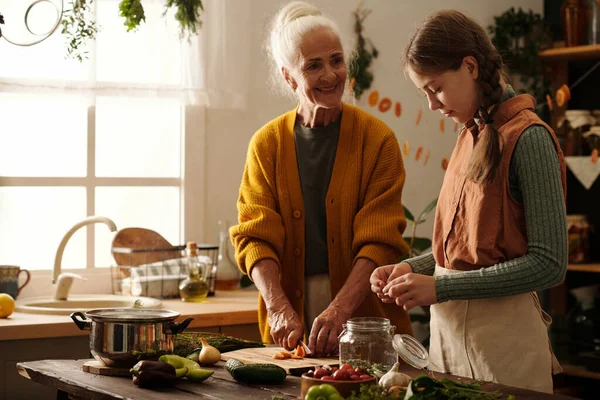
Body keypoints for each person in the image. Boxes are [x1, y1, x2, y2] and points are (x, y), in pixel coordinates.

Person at [370, 10, 567, 393]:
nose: (432, 105)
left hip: (504, 349)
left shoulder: (530, 139)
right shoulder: (468, 136)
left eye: (437, 88)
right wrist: (410, 268)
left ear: (470, 66)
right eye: (423, 93)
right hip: (448, 345)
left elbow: (549, 264)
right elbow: (468, 250)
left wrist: (439, 288)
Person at [230, 1, 412, 356]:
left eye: (336, 60)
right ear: (288, 76)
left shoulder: (378, 141)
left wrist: (340, 310)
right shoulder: (266, 144)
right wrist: (279, 307)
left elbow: (380, 241)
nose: (330, 75)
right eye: (313, 65)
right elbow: (255, 236)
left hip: (365, 327)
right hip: (289, 330)